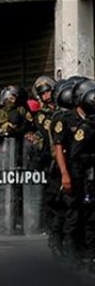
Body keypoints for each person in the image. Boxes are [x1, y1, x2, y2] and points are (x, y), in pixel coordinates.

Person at [51, 79, 95, 269]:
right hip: (72, 171)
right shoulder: (65, 119)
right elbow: (60, 149)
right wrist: (65, 175)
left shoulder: (90, 120)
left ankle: (86, 253)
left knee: (88, 215)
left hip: (88, 174)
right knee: (72, 214)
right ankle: (69, 254)